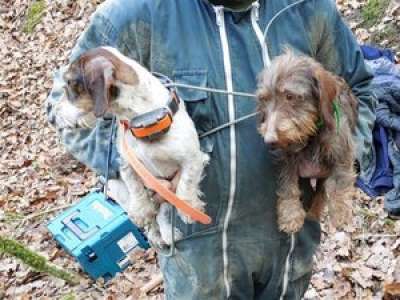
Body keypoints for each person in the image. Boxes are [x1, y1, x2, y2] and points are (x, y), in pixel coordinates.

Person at [46, 0, 376, 299]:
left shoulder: (309, 9)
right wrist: (140, 169)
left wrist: (343, 156)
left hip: (291, 243)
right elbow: (66, 112)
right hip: (199, 254)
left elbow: (359, 86)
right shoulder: (134, 15)